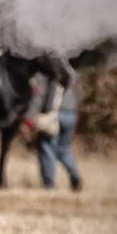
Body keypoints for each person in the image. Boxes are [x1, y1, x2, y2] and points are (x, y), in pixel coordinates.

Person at [31, 56, 82, 192]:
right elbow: (80, 96)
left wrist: (32, 116)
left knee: (47, 148)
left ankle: (49, 185)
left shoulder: (50, 75)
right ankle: (74, 175)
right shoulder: (74, 74)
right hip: (72, 114)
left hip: (54, 115)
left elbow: (40, 97)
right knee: (63, 149)